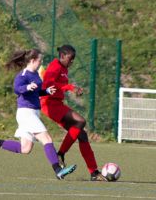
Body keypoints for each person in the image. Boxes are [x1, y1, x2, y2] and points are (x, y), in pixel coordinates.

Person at [0, 49, 77, 180]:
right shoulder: (23, 75)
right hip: (26, 113)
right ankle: (58, 170)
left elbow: (36, 92)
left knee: (25, 148)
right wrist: (27, 87)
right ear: (32, 61)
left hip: (33, 113)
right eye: (40, 60)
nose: (41, 62)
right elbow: (17, 89)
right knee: (47, 139)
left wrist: (46, 91)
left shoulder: (36, 76)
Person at [40, 44, 107, 181]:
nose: (72, 62)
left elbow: (59, 86)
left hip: (57, 104)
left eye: (73, 59)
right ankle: (61, 153)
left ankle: (94, 172)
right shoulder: (55, 66)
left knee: (82, 135)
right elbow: (47, 85)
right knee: (81, 121)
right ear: (62, 56)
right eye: (70, 59)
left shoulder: (64, 68)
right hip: (49, 105)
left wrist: (71, 88)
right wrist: (70, 87)